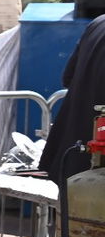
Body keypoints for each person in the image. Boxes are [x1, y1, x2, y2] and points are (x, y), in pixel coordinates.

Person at [39, 12, 105, 188]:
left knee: (68, 213)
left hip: (73, 157)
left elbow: (68, 77)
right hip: (95, 160)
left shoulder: (98, 23)